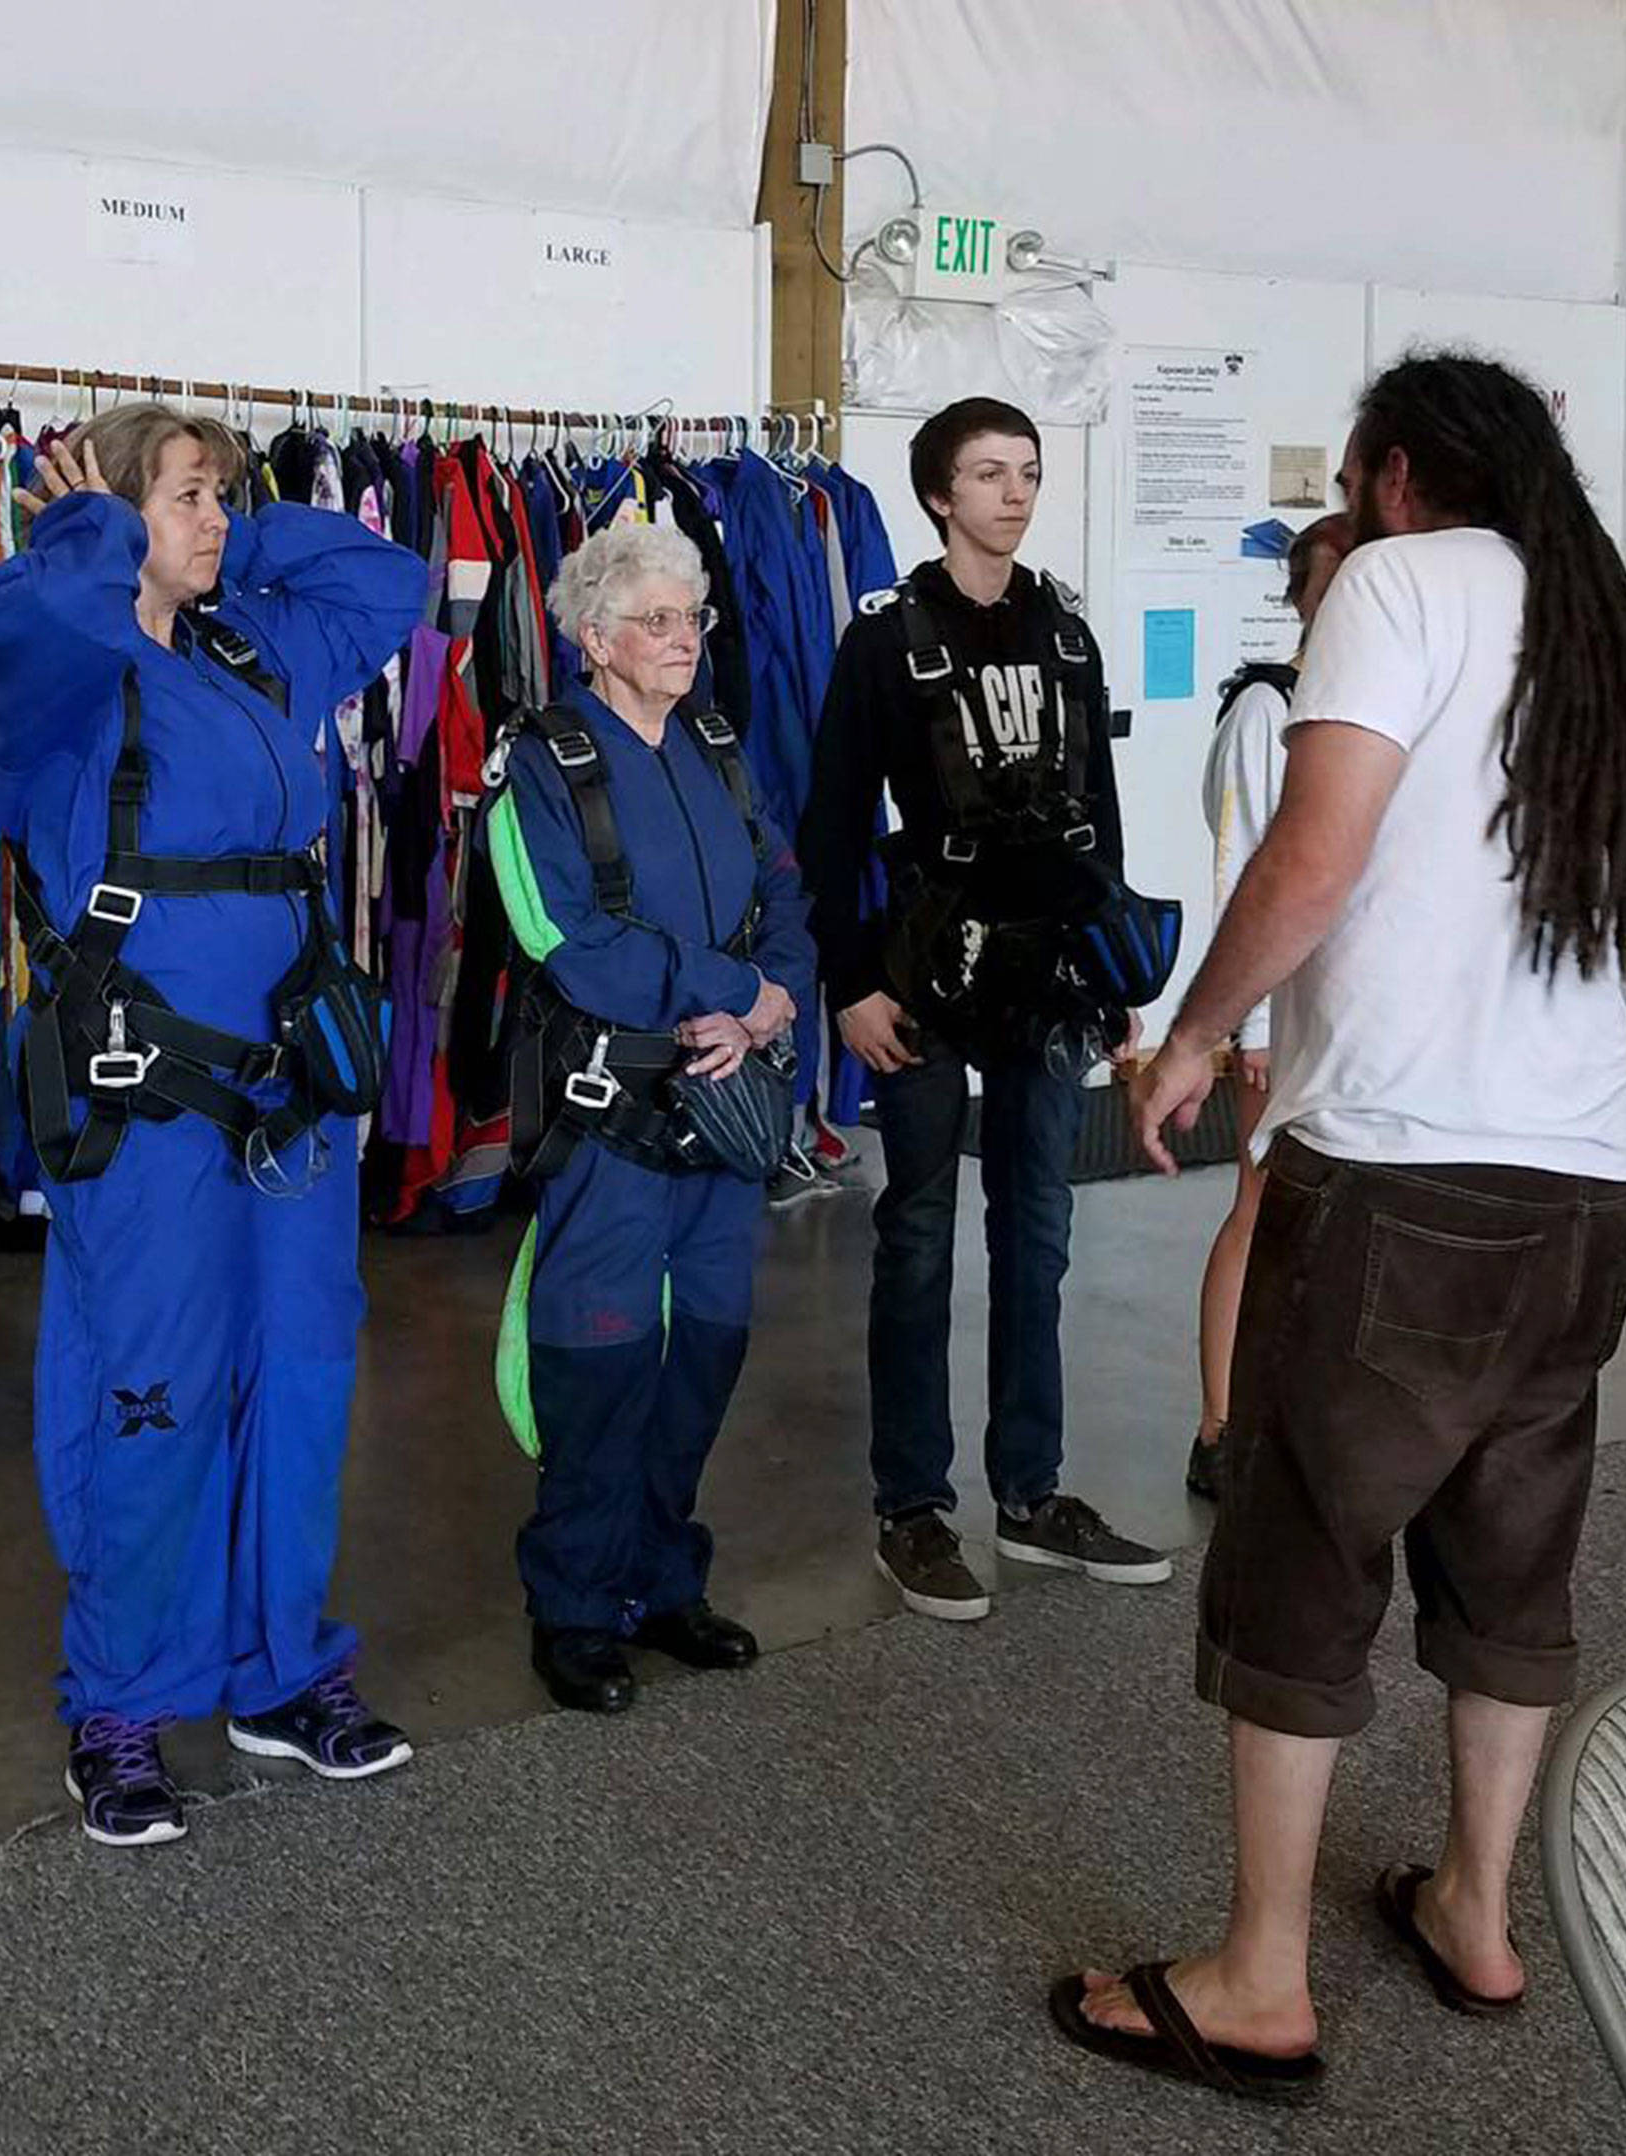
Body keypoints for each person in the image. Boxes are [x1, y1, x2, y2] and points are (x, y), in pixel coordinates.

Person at [1054, 354, 1626, 2095]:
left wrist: (1192, 1035)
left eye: (1350, 480)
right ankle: (1477, 1910)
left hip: (1404, 1176)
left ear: (1395, 474)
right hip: (1582, 1184)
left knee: (1302, 1553)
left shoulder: (1398, 583)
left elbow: (1311, 855)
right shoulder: (1597, 619)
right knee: (1510, 1554)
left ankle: (1259, 1976)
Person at [0, 405, 428, 1847]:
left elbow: (386, 588)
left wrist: (237, 511)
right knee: (149, 1387)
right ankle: (119, 1704)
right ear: (108, 519)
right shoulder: (62, 678)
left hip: (289, 1085)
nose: (215, 521)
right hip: (145, 1096)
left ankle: (280, 1674)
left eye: (219, 498)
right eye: (187, 498)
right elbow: (42, 615)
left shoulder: (252, 653)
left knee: (299, 1371)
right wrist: (101, 526)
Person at [800, 397, 1172, 1622]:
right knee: (914, 1236)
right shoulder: (882, 645)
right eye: (985, 474)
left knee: (1038, 1234)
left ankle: (1031, 1491)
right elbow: (831, 829)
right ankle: (911, 1506)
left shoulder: (1065, 636)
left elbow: (1097, 815)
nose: (1012, 494)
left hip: (1052, 974)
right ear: (936, 495)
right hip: (917, 975)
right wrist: (847, 982)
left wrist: (1118, 973)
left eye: (1026, 472)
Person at [487, 522, 815, 1714]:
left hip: (724, 1107)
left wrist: (772, 1002)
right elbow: (560, 936)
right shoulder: (540, 760)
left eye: (695, 619)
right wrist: (730, 991)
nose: (686, 640)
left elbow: (784, 891)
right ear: (595, 639)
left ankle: (662, 1582)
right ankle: (573, 1605)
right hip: (612, 1116)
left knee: (701, 1358)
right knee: (601, 1360)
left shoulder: (719, 751)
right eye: (661, 621)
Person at [1186, 514, 1353, 1500]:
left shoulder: (1370, 705)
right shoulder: (1266, 710)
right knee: (1259, 1207)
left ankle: (1307, 1415)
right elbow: (1243, 869)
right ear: (1298, 598)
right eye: (1328, 585)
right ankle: (1219, 1424)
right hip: (1279, 1015)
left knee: (1338, 1219)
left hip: (1355, 1015)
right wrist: (1245, 1024)